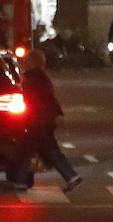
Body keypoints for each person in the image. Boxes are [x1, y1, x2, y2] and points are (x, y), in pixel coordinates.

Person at [22, 49, 81, 192]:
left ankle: (22, 180)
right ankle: (70, 176)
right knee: (44, 149)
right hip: (45, 119)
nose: (24, 63)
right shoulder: (42, 78)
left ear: (33, 63)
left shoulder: (33, 79)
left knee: (32, 149)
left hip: (38, 120)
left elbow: (36, 101)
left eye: (27, 61)